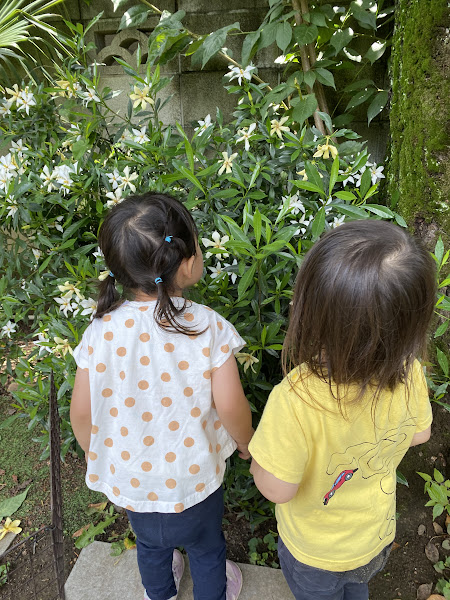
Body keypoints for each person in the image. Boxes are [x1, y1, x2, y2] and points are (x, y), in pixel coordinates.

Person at [70, 193, 254, 600]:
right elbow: (231, 405)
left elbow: (81, 411)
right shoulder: (207, 328)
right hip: (196, 480)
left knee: (151, 547)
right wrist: (245, 442)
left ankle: (162, 594)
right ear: (186, 262)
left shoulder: (100, 332)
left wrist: (92, 450)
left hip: (135, 483)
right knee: (207, 548)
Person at [248, 220, 436, 600]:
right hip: (375, 536)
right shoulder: (410, 372)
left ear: (314, 313)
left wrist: (259, 462)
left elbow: (276, 489)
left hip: (315, 554)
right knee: (357, 588)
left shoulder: (297, 398)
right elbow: (420, 434)